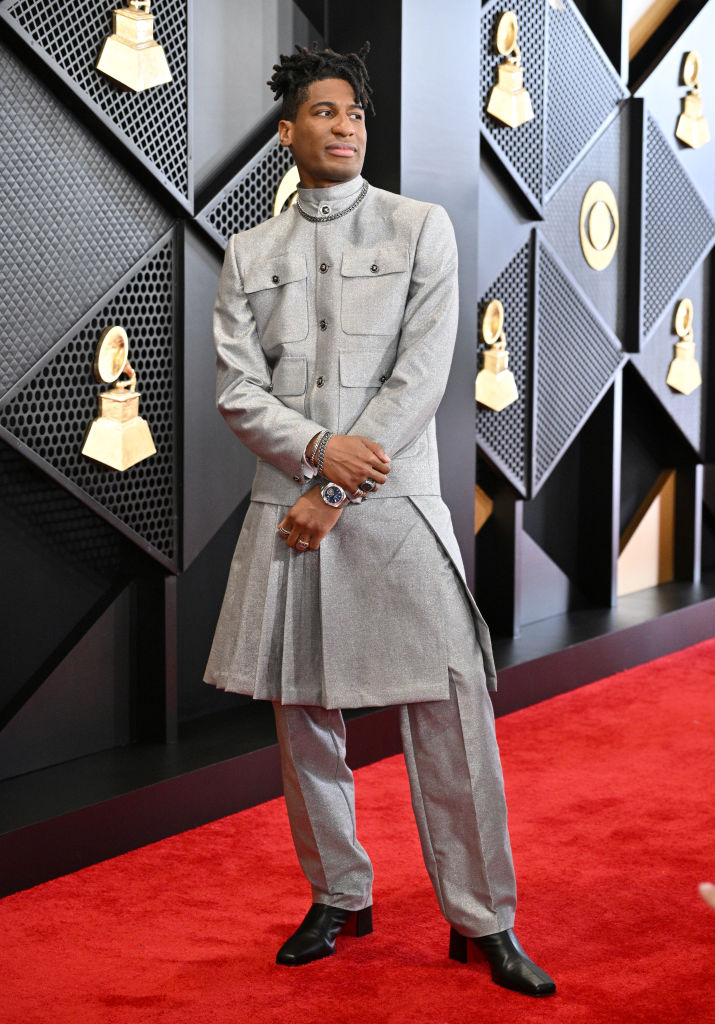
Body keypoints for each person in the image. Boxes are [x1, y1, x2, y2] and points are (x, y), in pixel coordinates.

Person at [205, 42, 555, 998]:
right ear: (289, 132)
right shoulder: (249, 253)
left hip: (390, 510)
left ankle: (483, 920)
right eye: (324, 113)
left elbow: (421, 373)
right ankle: (338, 895)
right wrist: (314, 458)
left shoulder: (419, 228)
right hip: (290, 514)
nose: (346, 125)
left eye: (354, 114)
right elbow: (237, 393)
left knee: (452, 708)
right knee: (303, 720)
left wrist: (335, 487)